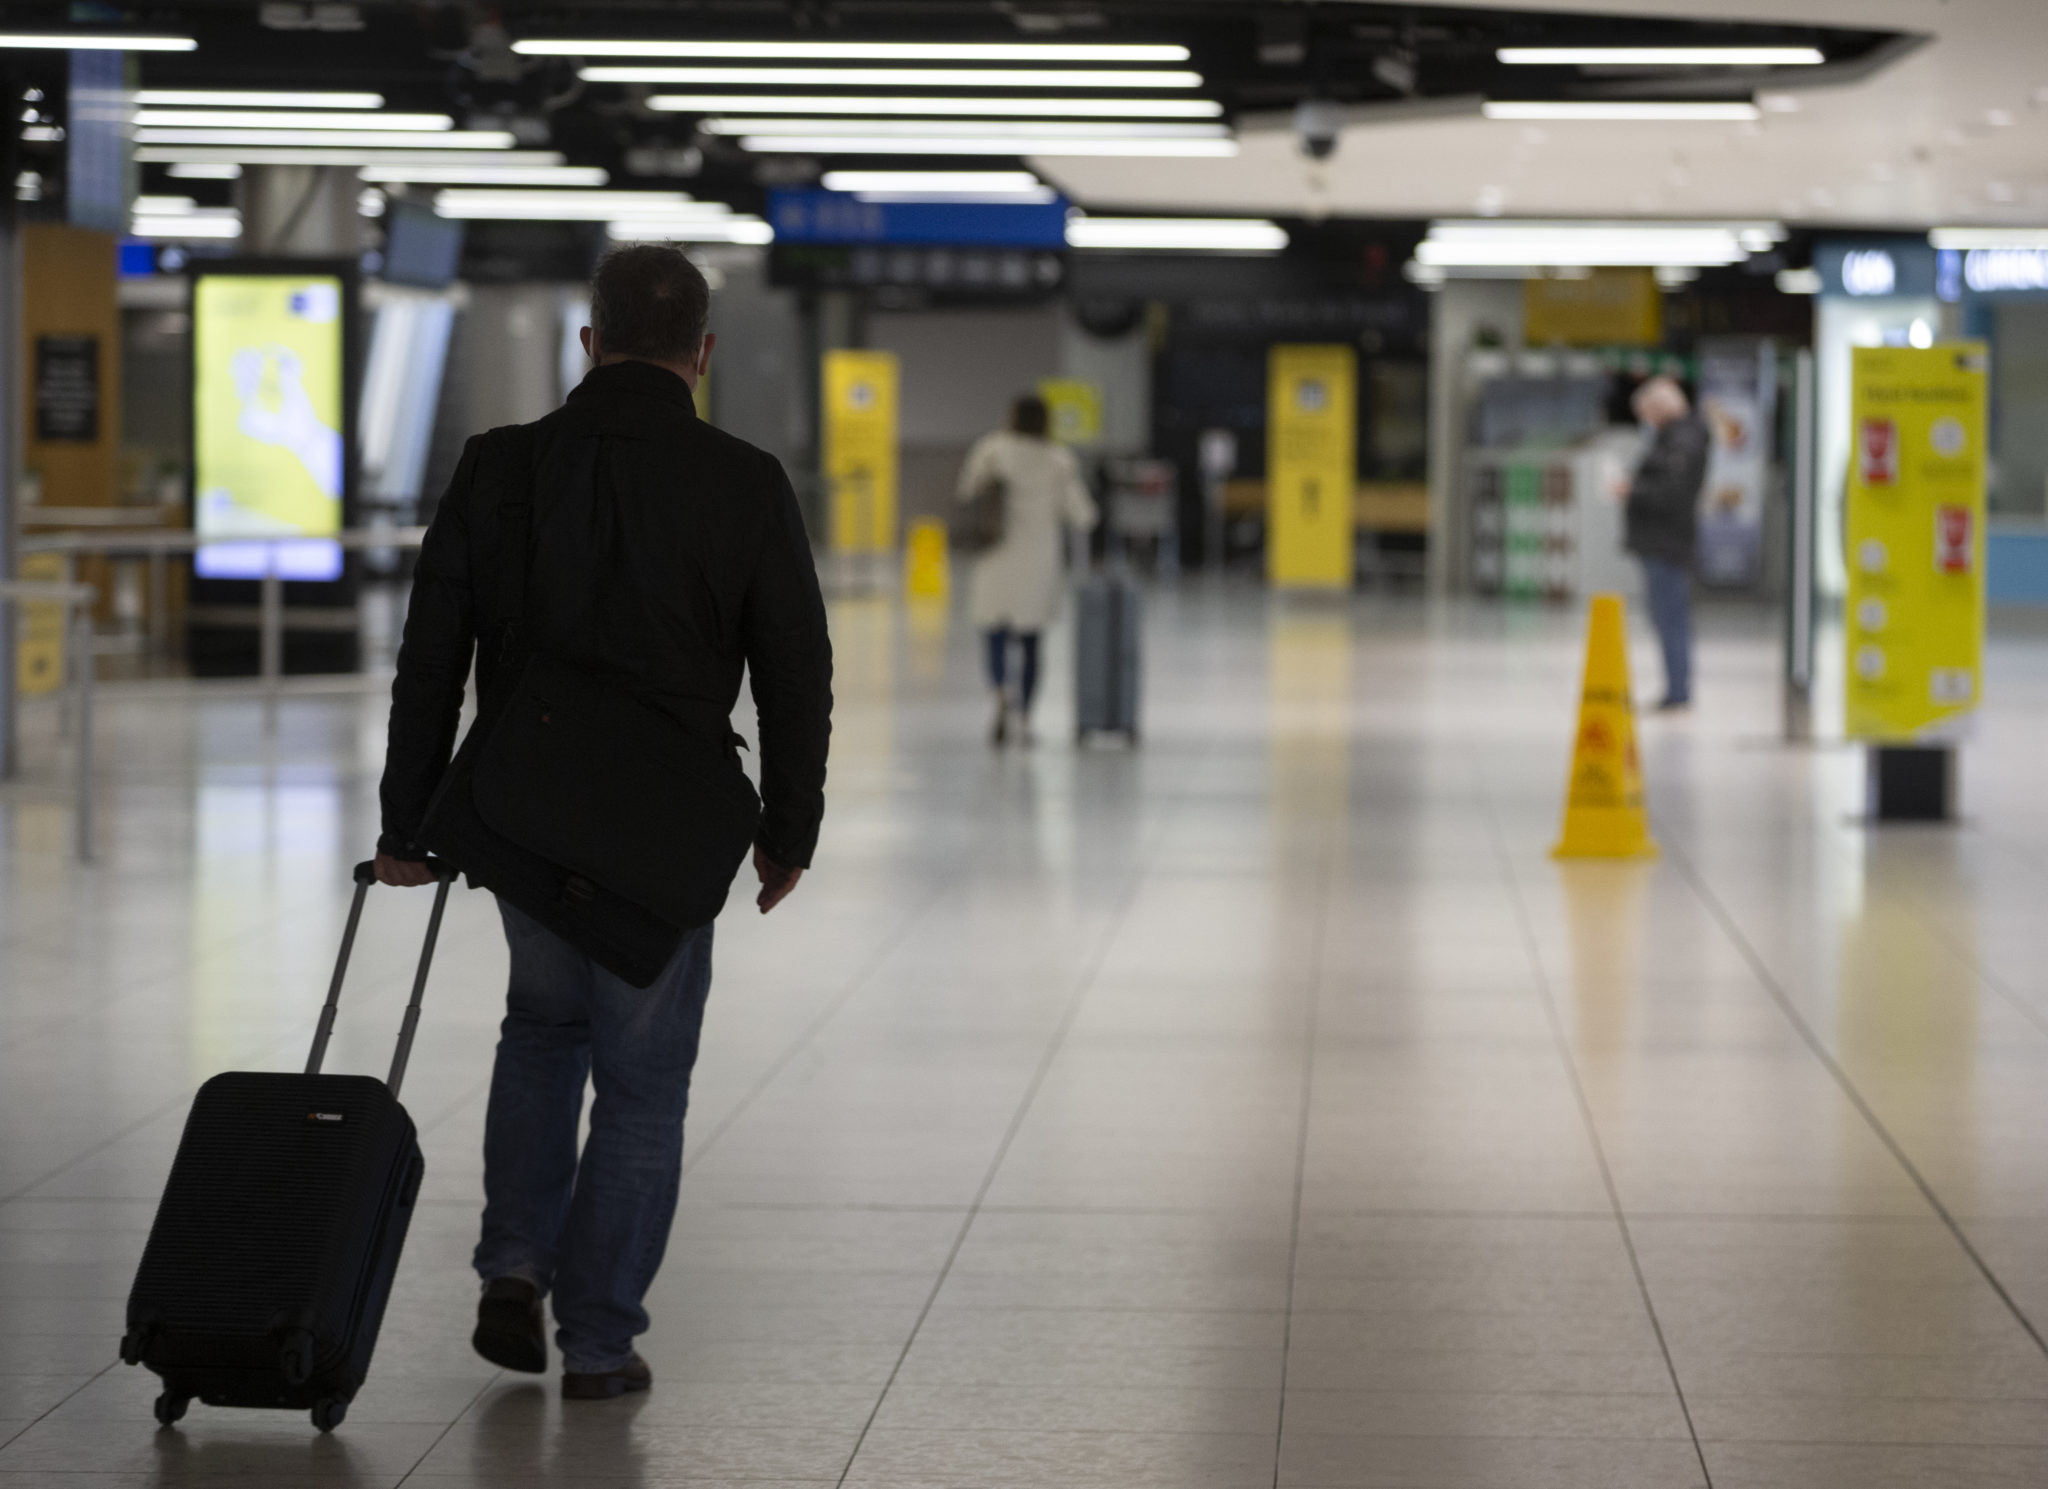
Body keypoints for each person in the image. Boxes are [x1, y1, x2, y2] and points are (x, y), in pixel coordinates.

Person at [371, 245, 833, 1400]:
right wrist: (789, 827)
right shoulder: (744, 479)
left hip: (522, 819)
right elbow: (795, 671)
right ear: (702, 354)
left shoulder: (501, 468)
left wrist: (409, 822)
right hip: (665, 841)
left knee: (539, 1030)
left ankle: (513, 1266)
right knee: (641, 1083)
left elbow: (430, 659)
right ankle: (597, 1340)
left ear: (589, 341)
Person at [956, 394, 1099, 744]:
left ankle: (1001, 692)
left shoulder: (991, 449)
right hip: (1038, 560)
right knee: (1033, 640)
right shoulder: (1057, 459)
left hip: (995, 555)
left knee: (994, 631)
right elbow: (1083, 514)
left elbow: (966, 492)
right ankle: (1025, 716)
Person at [1623, 375, 1711, 711]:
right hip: (1661, 541)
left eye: (1646, 414)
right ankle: (1675, 688)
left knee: (1671, 616)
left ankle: (1678, 690)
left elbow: (1672, 492)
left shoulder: (1684, 440)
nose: (1645, 422)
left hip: (1668, 543)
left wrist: (1634, 491)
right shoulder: (1674, 438)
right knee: (1666, 616)